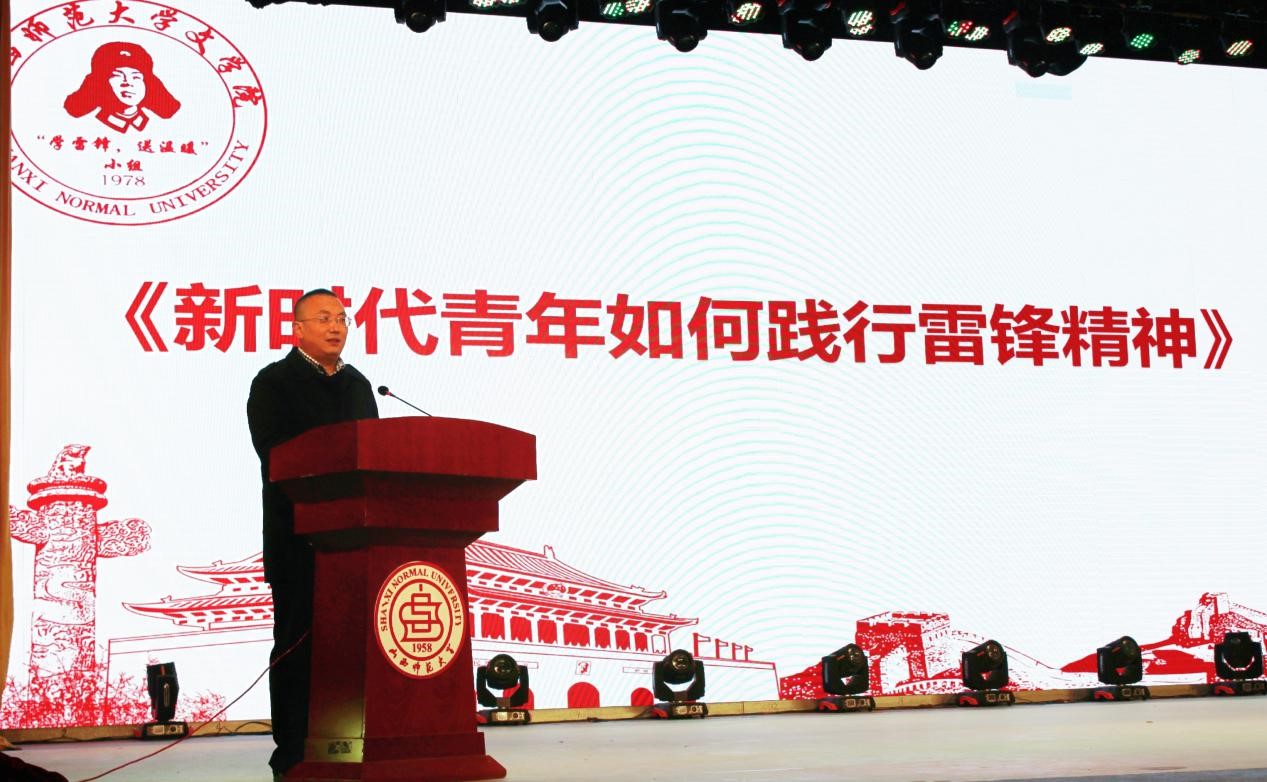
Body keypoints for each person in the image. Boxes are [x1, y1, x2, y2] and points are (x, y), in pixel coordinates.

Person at [246, 289, 378, 779]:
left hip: (355, 543)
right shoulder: (273, 383)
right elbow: (276, 456)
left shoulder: (359, 385)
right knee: (297, 647)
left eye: (342, 318)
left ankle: (353, 743)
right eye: (323, 318)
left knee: (353, 648)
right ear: (297, 329)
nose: (336, 326)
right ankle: (294, 752)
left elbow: (376, 455)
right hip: (299, 538)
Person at [63, 42, 181, 133]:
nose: (128, 83)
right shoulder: (86, 125)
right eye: (117, 76)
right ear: (101, 83)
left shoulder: (161, 125)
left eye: (136, 77)